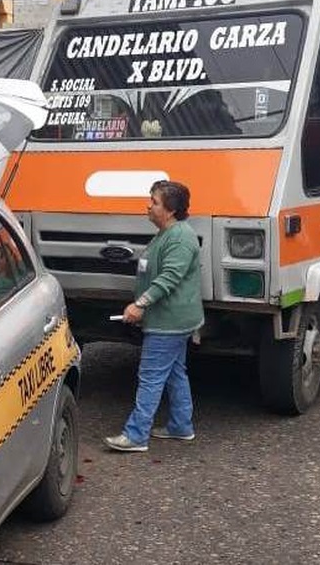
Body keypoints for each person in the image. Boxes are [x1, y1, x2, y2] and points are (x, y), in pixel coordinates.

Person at [104, 180, 204, 452]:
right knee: (174, 373)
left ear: (170, 210)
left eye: (154, 201)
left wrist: (140, 304)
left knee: (150, 376)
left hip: (168, 322)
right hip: (171, 319)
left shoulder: (180, 237)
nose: (148, 206)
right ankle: (181, 426)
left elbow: (170, 277)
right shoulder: (168, 233)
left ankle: (136, 435)